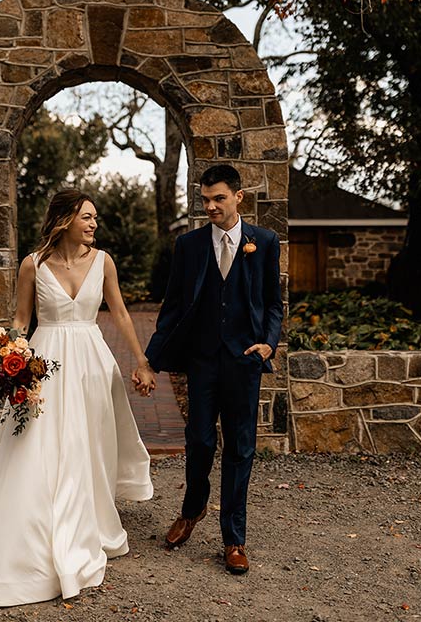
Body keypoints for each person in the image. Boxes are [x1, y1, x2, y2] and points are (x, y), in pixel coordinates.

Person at [0, 189, 156, 607]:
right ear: (64, 219)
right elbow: (21, 320)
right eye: (86, 217)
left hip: (93, 363)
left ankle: (91, 520)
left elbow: (118, 312)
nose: (93, 224)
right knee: (39, 443)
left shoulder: (104, 261)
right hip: (45, 363)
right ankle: (29, 522)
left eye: (95, 217)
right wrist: (4, 355)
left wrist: (141, 361)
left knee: (87, 441)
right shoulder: (34, 264)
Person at [140, 164, 283, 575]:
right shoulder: (189, 245)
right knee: (200, 442)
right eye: (205, 199)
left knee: (240, 449)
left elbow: (273, 303)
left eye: (218, 198)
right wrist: (151, 359)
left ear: (239, 196)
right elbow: (172, 307)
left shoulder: (265, 242)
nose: (210, 206)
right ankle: (192, 510)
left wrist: (268, 344)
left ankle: (234, 538)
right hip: (202, 361)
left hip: (245, 360)